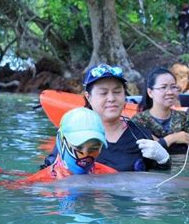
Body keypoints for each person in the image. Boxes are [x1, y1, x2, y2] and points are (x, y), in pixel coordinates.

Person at [43, 64, 171, 172]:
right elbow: (48, 172)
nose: (111, 98)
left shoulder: (140, 135)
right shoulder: (73, 133)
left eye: (117, 92)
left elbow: (158, 178)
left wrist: (164, 160)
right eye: (103, 93)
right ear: (88, 97)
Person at [24, 108, 117, 183]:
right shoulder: (36, 183)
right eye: (78, 146)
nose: (85, 154)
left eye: (94, 148)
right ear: (61, 141)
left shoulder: (112, 177)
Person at [132, 67, 189, 154]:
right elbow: (143, 153)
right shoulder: (138, 121)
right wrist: (172, 139)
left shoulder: (184, 117)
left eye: (173, 87)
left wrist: (158, 142)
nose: (170, 92)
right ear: (150, 92)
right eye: (163, 87)